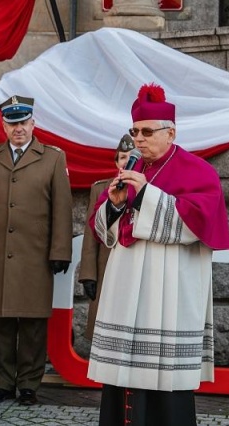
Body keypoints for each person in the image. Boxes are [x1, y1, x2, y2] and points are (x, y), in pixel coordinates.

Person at [87, 83, 229, 426]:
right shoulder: (131, 172)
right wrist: (114, 205)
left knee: (166, 383)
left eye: (147, 131)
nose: (138, 138)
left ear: (171, 133)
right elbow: (101, 229)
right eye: (135, 131)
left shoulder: (198, 171)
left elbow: (197, 222)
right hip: (126, 286)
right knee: (121, 378)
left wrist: (144, 196)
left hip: (169, 290)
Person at [0, 95, 73, 406]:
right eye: (12, 123)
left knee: (33, 324)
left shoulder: (53, 158)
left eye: (24, 122)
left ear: (33, 123)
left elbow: (62, 210)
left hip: (36, 256)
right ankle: (3, 383)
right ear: (4, 125)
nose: (19, 129)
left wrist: (60, 251)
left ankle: (28, 384)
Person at [78, 134, 134, 340]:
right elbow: (91, 236)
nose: (126, 162)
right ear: (116, 162)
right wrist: (88, 275)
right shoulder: (101, 188)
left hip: (135, 264)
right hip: (106, 265)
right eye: (122, 158)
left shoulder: (149, 188)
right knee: (105, 326)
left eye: (131, 157)